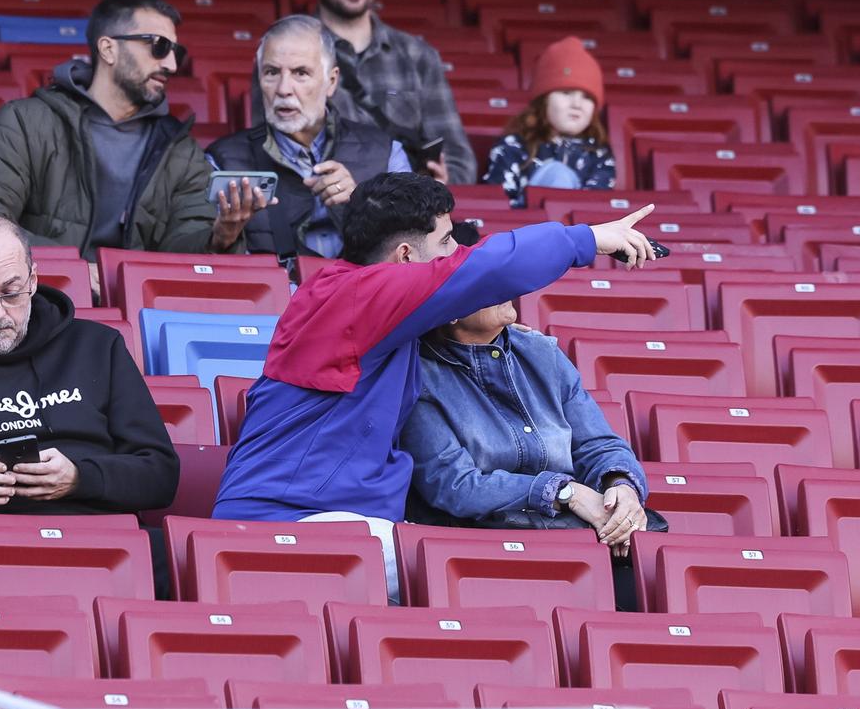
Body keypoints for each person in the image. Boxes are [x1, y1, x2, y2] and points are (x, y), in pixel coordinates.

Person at [211, 173, 657, 598]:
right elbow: (486, 269)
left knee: (484, 572)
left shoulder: (363, 302)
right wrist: (589, 240)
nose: (455, 253)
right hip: (287, 524)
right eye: (445, 242)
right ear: (406, 257)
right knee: (465, 573)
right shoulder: (356, 297)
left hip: (338, 523)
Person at [402, 221, 651, 605]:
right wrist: (562, 491)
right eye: (492, 282)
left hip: (576, 539)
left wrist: (621, 489)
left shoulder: (541, 353)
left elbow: (599, 445)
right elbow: (455, 487)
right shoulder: (419, 376)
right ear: (451, 308)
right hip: (481, 552)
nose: (511, 287)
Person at [0, 216, 179, 516]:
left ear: (33, 280)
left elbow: (161, 474)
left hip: (102, 539)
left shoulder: (98, 347)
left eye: (12, 293)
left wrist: (80, 477)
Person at [0, 0, 264, 259]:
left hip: (140, 311)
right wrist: (77, 274)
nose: (170, 64)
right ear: (108, 48)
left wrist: (219, 236)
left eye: (175, 51)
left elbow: (180, 254)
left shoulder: (180, 149)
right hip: (41, 303)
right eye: (158, 47)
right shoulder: (26, 122)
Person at [209, 14, 409, 266]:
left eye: (300, 73)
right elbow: (205, 268)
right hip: (275, 301)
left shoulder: (385, 151)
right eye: (271, 72)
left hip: (367, 298)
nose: (283, 89)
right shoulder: (222, 159)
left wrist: (364, 205)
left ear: (331, 82)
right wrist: (222, 238)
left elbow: (414, 248)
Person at [303, 0, 476, 184]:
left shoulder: (419, 56)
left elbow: (457, 158)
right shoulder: (288, 54)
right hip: (326, 214)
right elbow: (272, 153)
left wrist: (441, 184)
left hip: (408, 216)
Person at [482, 36, 616, 206]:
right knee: (557, 173)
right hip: (525, 230)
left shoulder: (599, 153)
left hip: (577, 230)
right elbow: (498, 205)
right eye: (566, 93)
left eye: (587, 97)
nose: (577, 104)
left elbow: (594, 209)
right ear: (543, 100)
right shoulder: (512, 146)